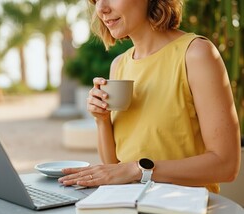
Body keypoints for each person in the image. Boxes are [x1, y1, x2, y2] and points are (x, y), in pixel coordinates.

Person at [58, 0, 241, 193]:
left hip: (185, 212)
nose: (102, 9)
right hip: (129, 206)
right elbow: (115, 167)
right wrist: (102, 120)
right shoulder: (119, 65)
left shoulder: (195, 54)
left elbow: (226, 165)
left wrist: (139, 169)